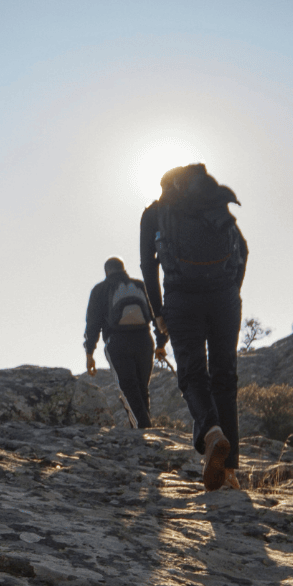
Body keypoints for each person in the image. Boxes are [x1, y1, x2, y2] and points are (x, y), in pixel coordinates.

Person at [140, 164, 248, 490]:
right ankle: (229, 473)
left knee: (191, 373)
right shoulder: (212, 203)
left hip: (181, 298)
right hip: (224, 297)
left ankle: (212, 431)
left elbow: (148, 266)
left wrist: (158, 314)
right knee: (224, 377)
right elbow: (242, 250)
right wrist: (231, 291)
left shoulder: (155, 213)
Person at [84, 257, 169, 429]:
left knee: (128, 389)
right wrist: (161, 344)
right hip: (144, 341)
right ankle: (144, 427)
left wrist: (89, 353)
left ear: (106, 271)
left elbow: (93, 324)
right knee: (142, 388)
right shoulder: (140, 286)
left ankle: (142, 429)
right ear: (123, 269)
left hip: (117, 342)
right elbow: (158, 316)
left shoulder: (100, 289)